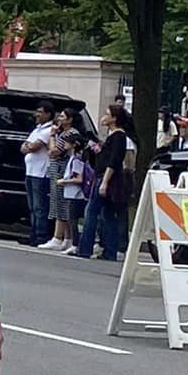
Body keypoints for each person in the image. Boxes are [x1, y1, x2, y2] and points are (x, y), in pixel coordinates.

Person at [74, 104, 134, 261]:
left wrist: (105, 181)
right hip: (103, 176)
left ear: (114, 118)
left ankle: (85, 248)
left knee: (91, 212)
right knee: (107, 214)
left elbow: (114, 161)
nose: (104, 117)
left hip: (106, 178)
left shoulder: (119, 137)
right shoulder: (113, 136)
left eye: (107, 114)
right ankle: (110, 250)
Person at [36, 108, 76, 252]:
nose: (59, 118)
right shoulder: (63, 133)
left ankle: (58, 237)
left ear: (70, 119)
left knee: (61, 204)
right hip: (55, 171)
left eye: (63, 116)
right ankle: (66, 238)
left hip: (62, 171)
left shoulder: (70, 133)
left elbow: (54, 152)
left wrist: (52, 136)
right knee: (57, 202)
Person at [21, 103, 54, 246]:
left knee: (40, 206)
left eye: (40, 112)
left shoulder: (48, 131)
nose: (37, 114)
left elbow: (34, 147)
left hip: (40, 173)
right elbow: (23, 147)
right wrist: (28, 146)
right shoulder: (37, 130)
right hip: (30, 171)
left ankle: (41, 235)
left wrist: (29, 146)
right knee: (32, 206)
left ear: (48, 114)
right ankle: (33, 233)